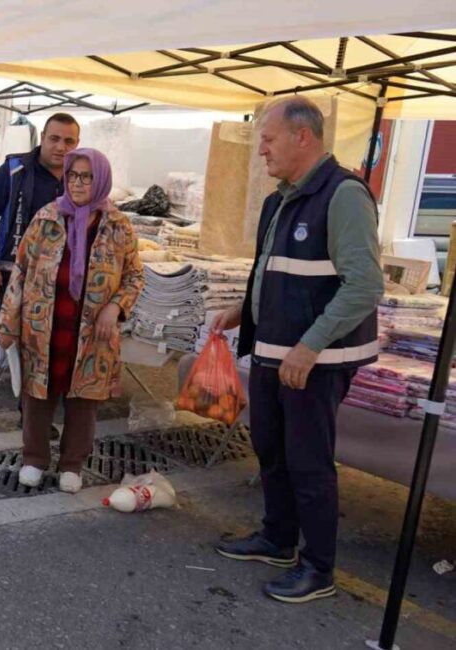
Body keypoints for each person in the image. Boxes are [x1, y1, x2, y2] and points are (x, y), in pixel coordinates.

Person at [211, 96, 384, 604]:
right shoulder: (280, 198)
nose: (260, 149)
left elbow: (365, 286)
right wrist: (241, 311)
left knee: (308, 462)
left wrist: (309, 348)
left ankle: (318, 567)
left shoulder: (344, 195)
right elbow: (275, 271)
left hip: (315, 361)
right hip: (272, 350)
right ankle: (278, 539)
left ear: (302, 137)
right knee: (271, 448)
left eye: (268, 138)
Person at [0, 148, 143, 494]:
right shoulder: (46, 218)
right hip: (42, 324)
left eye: (86, 176)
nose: (77, 183)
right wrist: (7, 324)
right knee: (37, 395)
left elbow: (135, 276)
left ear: (101, 180)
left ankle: (72, 463)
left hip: (92, 330)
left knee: (83, 401)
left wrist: (115, 307)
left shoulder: (118, 226)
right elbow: (20, 273)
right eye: (73, 175)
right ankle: (34, 458)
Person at [0, 113, 80, 408]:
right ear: (43, 138)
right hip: (12, 274)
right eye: (54, 138)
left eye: (68, 141)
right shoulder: (14, 169)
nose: (61, 147)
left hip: (57, 281)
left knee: (42, 349)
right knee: (1, 338)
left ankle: (31, 418)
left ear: (77, 144)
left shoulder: (79, 179)